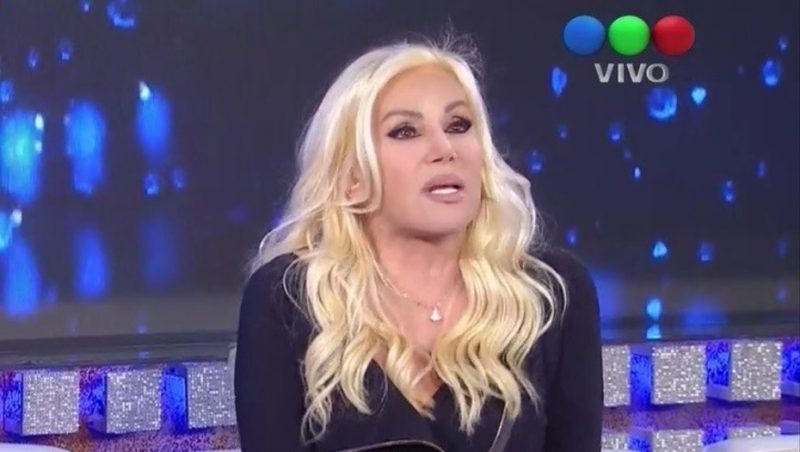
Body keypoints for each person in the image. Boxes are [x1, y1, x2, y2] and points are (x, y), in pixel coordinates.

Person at [234, 34, 603, 452]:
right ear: (353, 177)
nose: (445, 149)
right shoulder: (288, 300)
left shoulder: (551, 294)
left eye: (459, 126)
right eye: (405, 131)